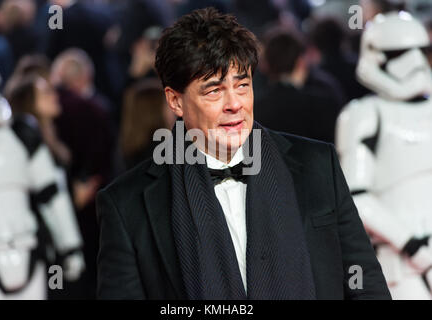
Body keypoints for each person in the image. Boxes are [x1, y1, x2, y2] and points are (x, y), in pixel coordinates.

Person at [96, 7, 390, 300]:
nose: (234, 104)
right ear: (175, 101)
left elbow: (366, 287)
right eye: (214, 90)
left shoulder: (317, 166)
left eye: (242, 85)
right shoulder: (126, 204)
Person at [336, 11, 432, 299]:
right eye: (401, 52)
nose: (414, 61)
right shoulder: (364, 114)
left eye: (422, 50)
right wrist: (411, 246)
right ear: (376, 56)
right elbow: (357, 196)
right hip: (398, 264)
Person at [0, 59, 84, 299]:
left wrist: (70, 248)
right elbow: (53, 198)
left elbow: (52, 196)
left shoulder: (22, 135)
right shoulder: (22, 136)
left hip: (28, 250)